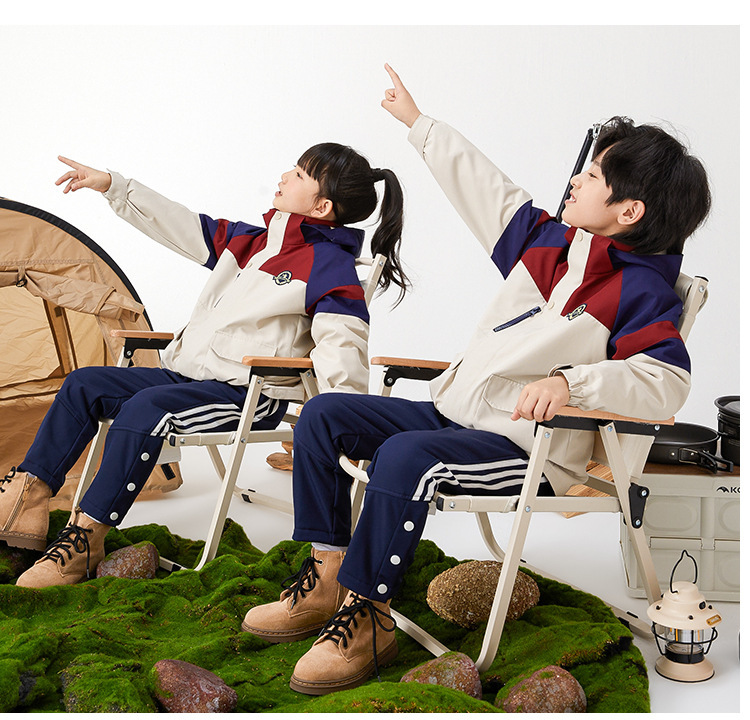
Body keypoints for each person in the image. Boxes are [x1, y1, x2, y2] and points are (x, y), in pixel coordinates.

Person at [241, 64, 711, 696]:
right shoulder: (548, 245)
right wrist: (419, 123)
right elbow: (486, 188)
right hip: (455, 415)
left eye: (594, 175)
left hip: (523, 448)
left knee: (404, 455)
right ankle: (328, 582)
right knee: (325, 416)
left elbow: (664, 381)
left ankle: (370, 616)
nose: (575, 178)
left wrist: (572, 384)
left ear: (629, 210)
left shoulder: (643, 290)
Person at [0, 141, 409, 588]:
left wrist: (342, 419)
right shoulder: (253, 242)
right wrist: (113, 186)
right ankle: (24, 500)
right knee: (84, 384)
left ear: (322, 206)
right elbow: (180, 224)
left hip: (248, 394)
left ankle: (85, 540)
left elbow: (342, 344)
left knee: (145, 409)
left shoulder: (328, 264)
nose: (284, 176)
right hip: (188, 378)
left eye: (298, 174)